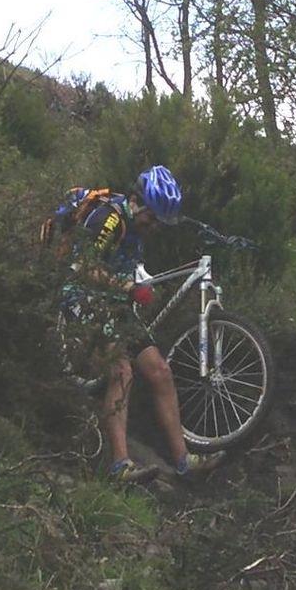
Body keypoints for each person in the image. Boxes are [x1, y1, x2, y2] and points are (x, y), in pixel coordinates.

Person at [54, 164, 223, 484]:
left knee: (160, 370)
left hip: (114, 304)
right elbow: (80, 265)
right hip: (81, 297)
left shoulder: (137, 227)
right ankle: (120, 465)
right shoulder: (110, 218)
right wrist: (128, 288)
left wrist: (138, 286)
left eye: (160, 222)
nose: (154, 227)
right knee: (122, 370)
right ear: (136, 202)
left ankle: (184, 460)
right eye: (152, 219)